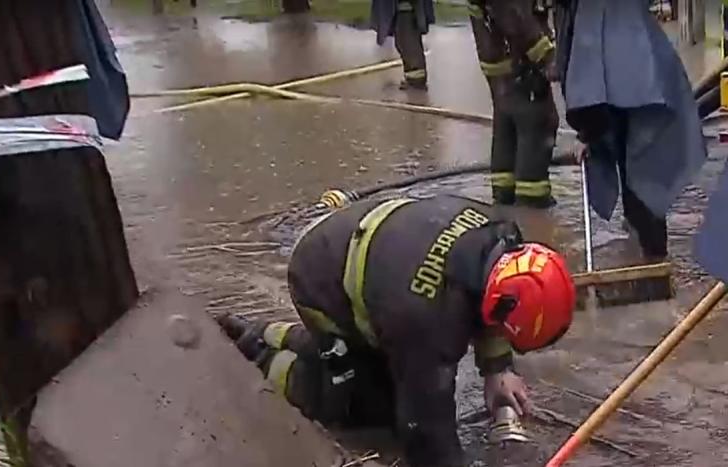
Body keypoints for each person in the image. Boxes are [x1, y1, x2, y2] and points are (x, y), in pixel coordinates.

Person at [218, 195, 576, 467]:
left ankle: (269, 332)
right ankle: (264, 360)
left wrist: (498, 369)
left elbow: (494, 304)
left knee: (381, 369)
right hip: (319, 279)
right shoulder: (426, 320)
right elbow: (424, 429)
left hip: (362, 244)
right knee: (359, 406)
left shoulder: (502, 236)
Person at [554, 0, 707, 261]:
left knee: (640, 185)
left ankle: (652, 264)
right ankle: (653, 259)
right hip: (654, 91)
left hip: (640, 109)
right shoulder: (619, 12)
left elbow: (590, 87)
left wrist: (587, 135)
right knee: (646, 183)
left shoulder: (590, 14)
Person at [468, 0, 559, 208]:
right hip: (522, 66)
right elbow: (515, 16)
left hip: (502, 68)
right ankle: (532, 209)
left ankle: (504, 202)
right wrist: (548, 57)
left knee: (505, 127)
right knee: (538, 124)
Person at [371, 0, 434, 89]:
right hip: (403, 9)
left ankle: (416, 80)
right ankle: (413, 77)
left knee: (408, 43)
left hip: (406, 9)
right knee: (403, 42)